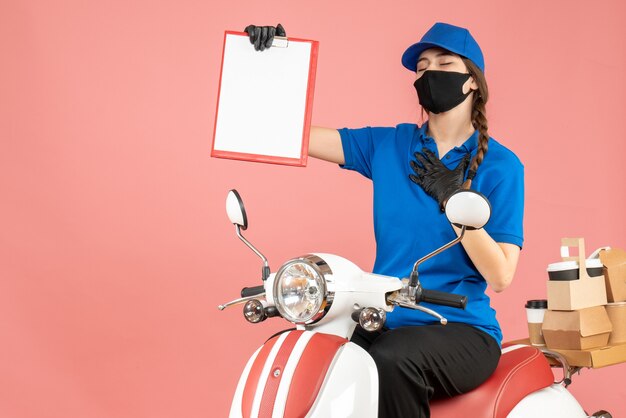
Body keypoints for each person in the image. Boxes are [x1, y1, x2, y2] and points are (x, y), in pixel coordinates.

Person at [244, 22, 524, 417]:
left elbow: (501, 276)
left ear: (472, 82)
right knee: (314, 356)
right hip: (384, 317)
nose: (430, 74)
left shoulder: (502, 166)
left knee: (391, 360)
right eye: (423, 67)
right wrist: (274, 64)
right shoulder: (389, 145)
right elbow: (289, 135)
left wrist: (453, 200)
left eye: (444, 63)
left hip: (461, 327)